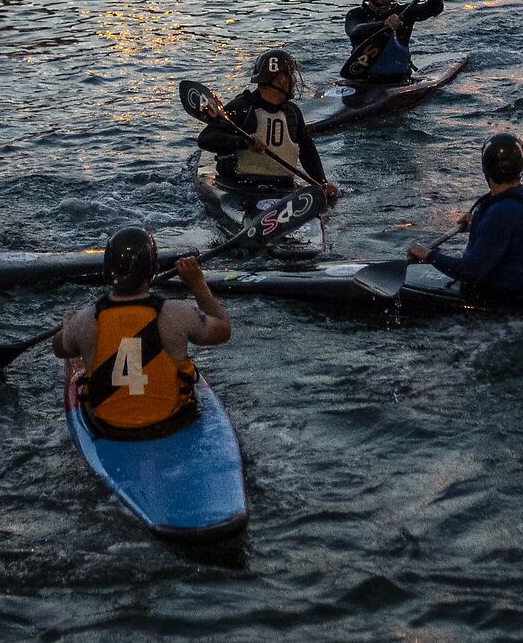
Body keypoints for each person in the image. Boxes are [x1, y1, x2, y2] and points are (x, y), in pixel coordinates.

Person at [54, 227, 231, 439]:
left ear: (107, 272)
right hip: (172, 422)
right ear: (152, 270)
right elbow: (222, 329)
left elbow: (59, 348)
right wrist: (197, 284)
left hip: (110, 428)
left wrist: (68, 325)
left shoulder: (85, 320)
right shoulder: (177, 313)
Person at [405, 132, 523, 302]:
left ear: (485, 168)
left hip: (503, 298)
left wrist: (429, 255)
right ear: (522, 166)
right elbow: (519, 238)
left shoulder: (502, 212)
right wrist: (480, 226)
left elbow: (470, 272)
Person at [197, 48, 337, 198]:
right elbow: (205, 139)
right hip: (240, 188)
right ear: (281, 79)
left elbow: (307, 151)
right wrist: (243, 142)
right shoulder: (243, 107)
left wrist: (321, 182)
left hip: (283, 189)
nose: (295, 80)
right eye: (291, 74)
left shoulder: (293, 113)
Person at [342, 0, 444, 83]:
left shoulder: (405, 12)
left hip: (399, 77)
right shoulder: (355, 14)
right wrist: (384, 24)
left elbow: (434, 9)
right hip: (363, 77)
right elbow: (355, 32)